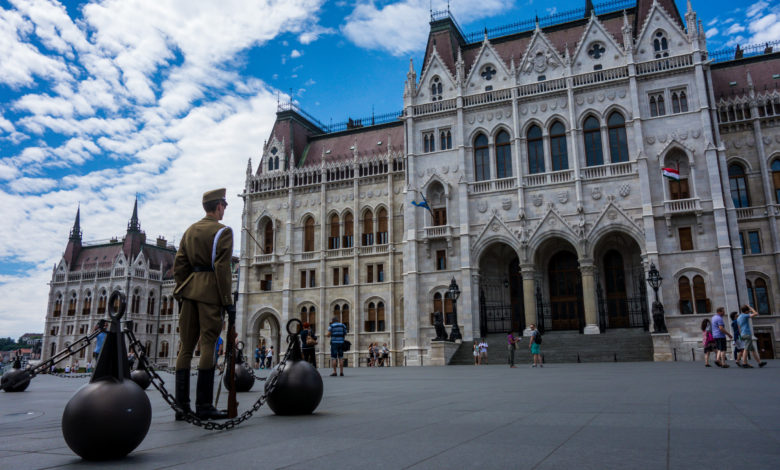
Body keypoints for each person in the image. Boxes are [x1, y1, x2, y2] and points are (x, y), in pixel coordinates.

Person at [173, 188, 235, 421]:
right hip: (210, 293)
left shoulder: (190, 231)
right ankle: (204, 405)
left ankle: (181, 407)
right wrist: (227, 301)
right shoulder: (223, 232)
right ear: (218, 206)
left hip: (188, 292)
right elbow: (222, 270)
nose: (224, 210)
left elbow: (179, 265)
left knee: (185, 347)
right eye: (224, 206)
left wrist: (184, 287)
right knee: (208, 344)